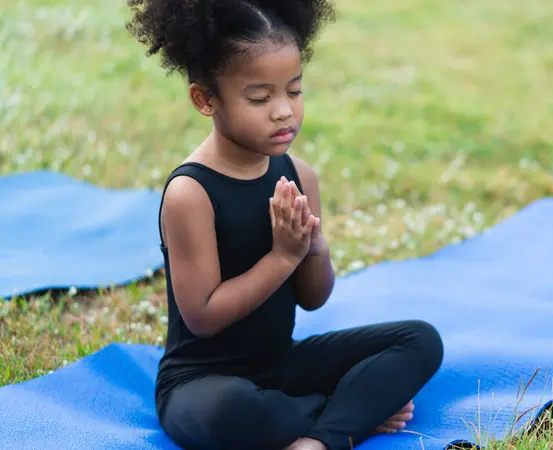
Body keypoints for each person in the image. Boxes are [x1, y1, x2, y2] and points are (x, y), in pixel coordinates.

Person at [125, 0, 445, 449]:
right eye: (260, 97)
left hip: (281, 365)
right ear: (205, 98)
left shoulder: (299, 175)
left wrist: (312, 247)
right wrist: (282, 257)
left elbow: (314, 299)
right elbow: (202, 316)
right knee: (230, 414)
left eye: (293, 91)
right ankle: (348, 415)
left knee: (420, 341)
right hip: (204, 384)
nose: (283, 111)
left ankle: (316, 437)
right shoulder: (190, 193)